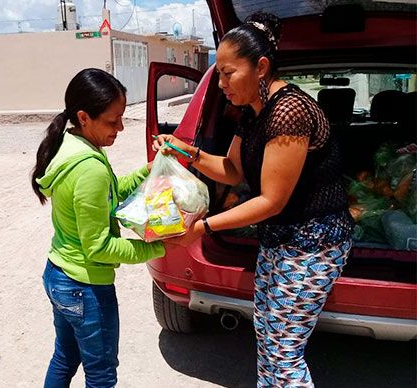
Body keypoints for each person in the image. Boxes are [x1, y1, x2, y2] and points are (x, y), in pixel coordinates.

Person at [154, 12, 354, 388]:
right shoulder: (254, 113)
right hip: (280, 239)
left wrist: (202, 228)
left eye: (228, 73)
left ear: (260, 67)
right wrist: (186, 152)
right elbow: (232, 170)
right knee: (267, 333)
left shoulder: (289, 111)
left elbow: (271, 200)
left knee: (283, 351)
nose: (220, 83)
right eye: (218, 73)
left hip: (313, 243)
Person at [32, 68, 166, 387]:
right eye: (112, 120)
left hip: (59, 275)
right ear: (84, 116)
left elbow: (111, 192)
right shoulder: (90, 168)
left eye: (122, 117)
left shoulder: (71, 145)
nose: (120, 127)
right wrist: (159, 247)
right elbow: (100, 247)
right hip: (85, 286)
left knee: (64, 357)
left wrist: (149, 169)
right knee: (101, 373)